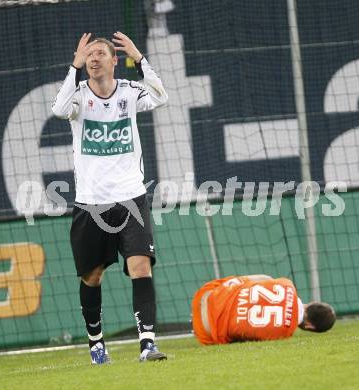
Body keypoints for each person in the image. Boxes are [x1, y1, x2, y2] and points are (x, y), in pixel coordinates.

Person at [52, 32, 168, 364]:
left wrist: (140, 58)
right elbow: (58, 109)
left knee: (141, 266)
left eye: (101, 52)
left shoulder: (130, 93)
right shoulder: (77, 98)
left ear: (114, 60)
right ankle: (97, 343)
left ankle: (147, 344)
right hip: (91, 202)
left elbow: (161, 97)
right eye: (88, 54)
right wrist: (72, 68)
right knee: (92, 276)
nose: (94, 58)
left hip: (131, 197)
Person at [192, 274, 336, 344]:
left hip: (204, 296)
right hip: (204, 330)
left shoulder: (287, 284)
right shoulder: (282, 334)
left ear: (310, 303)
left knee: (263, 278)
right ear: (310, 326)